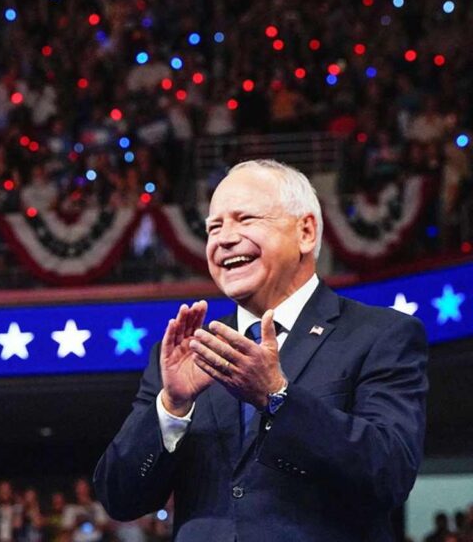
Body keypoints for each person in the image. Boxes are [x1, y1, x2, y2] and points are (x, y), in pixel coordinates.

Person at [94, 159, 427, 540]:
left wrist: (278, 398)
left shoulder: (381, 335)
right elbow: (119, 497)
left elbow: (389, 475)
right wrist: (172, 408)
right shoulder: (189, 353)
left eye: (246, 219)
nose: (224, 238)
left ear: (305, 231)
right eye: (213, 227)